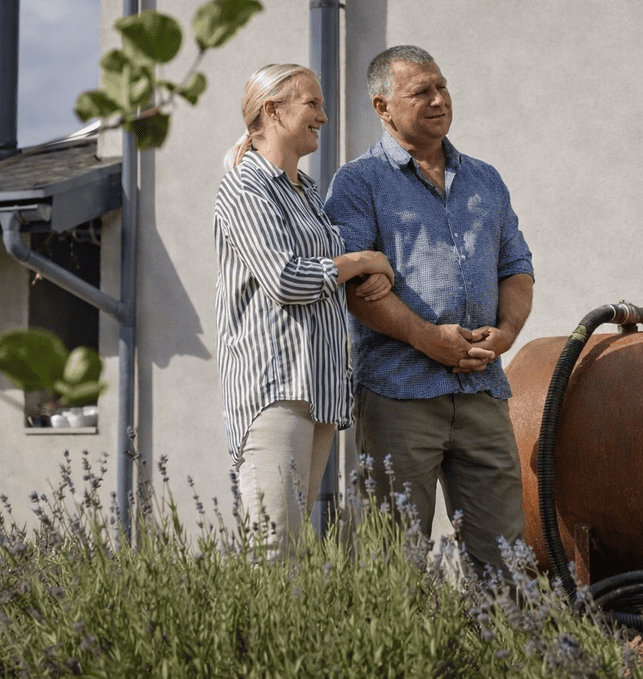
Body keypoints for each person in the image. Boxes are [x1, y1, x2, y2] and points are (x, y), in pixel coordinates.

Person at [323, 45, 534, 576]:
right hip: (399, 394)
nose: (439, 99)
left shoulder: (486, 179)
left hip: (482, 389)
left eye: (441, 87)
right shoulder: (358, 183)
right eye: (421, 92)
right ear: (383, 107)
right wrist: (426, 338)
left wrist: (506, 333)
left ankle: (501, 657)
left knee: (504, 556)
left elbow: (517, 265)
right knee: (395, 560)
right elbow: (353, 286)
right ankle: (400, 662)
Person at [215, 63, 394, 559]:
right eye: (312, 104)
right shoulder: (244, 187)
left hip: (318, 388)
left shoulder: (308, 192)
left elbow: (329, 267)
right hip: (274, 386)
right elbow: (286, 278)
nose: (323, 115)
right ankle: (254, 641)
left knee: (292, 549)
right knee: (272, 551)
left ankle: (283, 639)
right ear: (272, 110)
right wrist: (361, 260)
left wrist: (368, 269)